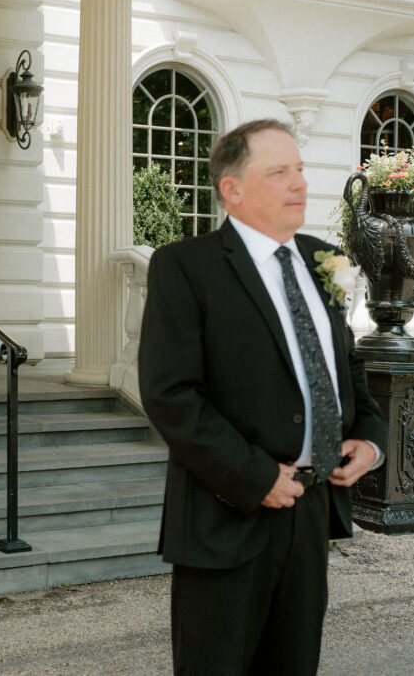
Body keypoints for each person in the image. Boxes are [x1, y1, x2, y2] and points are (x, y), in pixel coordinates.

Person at [137, 119, 387, 675]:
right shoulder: (186, 267)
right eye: (279, 172)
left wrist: (370, 439)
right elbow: (170, 393)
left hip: (312, 511)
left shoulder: (326, 261)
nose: (299, 182)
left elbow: (347, 370)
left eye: (299, 168)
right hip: (227, 513)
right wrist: (254, 477)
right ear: (233, 189)